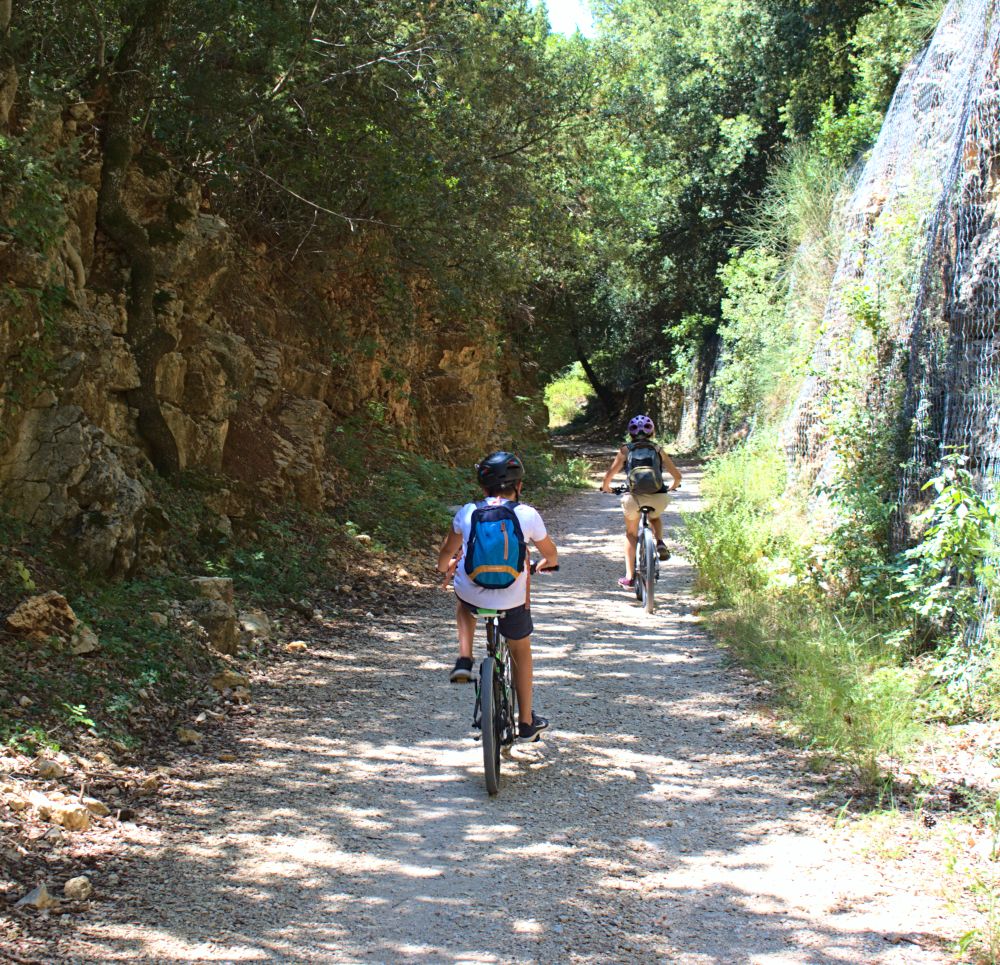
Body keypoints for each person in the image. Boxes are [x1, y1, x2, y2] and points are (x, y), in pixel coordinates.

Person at [437, 451, 558, 742]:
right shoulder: (527, 514)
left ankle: (464, 657)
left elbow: (446, 554)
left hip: (473, 594)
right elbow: (550, 553)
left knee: (463, 602)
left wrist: (443, 568)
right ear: (519, 486)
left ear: (482, 487)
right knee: (520, 649)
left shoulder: (467, 511)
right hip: (512, 600)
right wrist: (545, 564)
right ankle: (526, 722)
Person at [600, 414, 682, 589]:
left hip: (633, 498)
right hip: (658, 496)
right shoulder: (658, 449)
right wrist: (672, 487)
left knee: (631, 534)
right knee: (654, 517)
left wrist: (607, 488)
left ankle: (629, 577)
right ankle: (659, 542)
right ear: (652, 432)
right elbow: (677, 476)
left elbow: (609, 475)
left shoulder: (625, 450)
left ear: (630, 433)